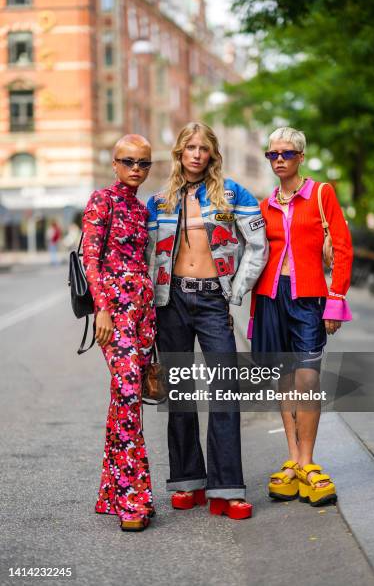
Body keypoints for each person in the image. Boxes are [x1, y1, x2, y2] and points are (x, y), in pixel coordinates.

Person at [146, 122, 268, 520]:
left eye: (204, 148)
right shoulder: (159, 202)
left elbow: (258, 245)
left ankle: (226, 488)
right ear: (179, 153)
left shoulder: (233, 193)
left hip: (213, 299)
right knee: (180, 393)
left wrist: (236, 290)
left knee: (225, 391)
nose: (197, 154)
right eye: (190, 147)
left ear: (213, 154)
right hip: (171, 300)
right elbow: (144, 255)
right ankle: (187, 482)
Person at [250, 127, 353, 506]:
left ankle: (307, 462)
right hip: (271, 298)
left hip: (309, 298)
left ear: (301, 157)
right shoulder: (264, 204)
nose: (279, 159)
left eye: (287, 153)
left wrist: (336, 299)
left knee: (307, 379)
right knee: (285, 380)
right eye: (273, 154)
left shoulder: (321, 194)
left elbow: (342, 247)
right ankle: (293, 461)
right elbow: (254, 252)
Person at [82, 134, 156, 532]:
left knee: (124, 401)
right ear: (114, 163)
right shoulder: (101, 201)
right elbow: (91, 259)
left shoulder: (141, 210)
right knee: (127, 391)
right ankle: (134, 501)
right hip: (115, 313)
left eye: (144, 163)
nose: (136, 169)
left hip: (143, 314)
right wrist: (102, 309)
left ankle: (112, 491)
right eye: (128, 161)